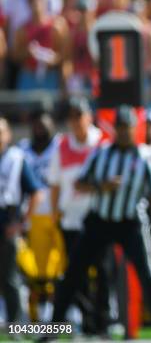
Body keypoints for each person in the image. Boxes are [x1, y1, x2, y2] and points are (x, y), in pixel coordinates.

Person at [50, 105, 151, 339]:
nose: (122, 132)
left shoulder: (144, 158)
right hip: (99, 220)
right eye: (119, 127)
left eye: (126, 128)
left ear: (134, 128)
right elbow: (79, 184)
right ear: (115, 129)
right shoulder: (100, 153)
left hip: (131, 222)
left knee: (149, 274)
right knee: (72, 273)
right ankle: (50, 329)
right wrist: (102, 186)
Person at [48, 98, 108, 335]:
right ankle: (87, 320)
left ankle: (103, 321)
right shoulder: (62, 145)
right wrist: (55, 213)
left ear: (88, 117)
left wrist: (92, 187)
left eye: (78, 116)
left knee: (102, 272)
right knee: (76, 275)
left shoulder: (102, 142)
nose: (75, 122)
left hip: (98, 219)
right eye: (71, 117)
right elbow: (54, 184)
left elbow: (111, 179)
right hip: (71, 220)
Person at [19, 110, 63, 321]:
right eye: (36, 125)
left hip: (59, 213)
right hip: (34, 215)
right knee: (38, 269)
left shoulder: (61, 146)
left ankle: (70, 310)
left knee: (65, 264)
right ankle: (41, 313)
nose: (40, 129)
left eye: (43, 125)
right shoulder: (23, 149)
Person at [0, 115, 43, 324]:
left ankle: (15, 324)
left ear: (8, 134)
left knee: (9, 277)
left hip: (8, 221)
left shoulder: (16, 158)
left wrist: (21, 223)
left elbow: (36, 192)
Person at [11, 0, 69, 92]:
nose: (35, 3)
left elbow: (65, 54)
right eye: (31, 0)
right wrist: (27, 52)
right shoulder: (22, 29)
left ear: (45, 2)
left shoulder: (56, 26)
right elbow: (15, 55)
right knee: (25, 107)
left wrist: (52, 59)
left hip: (49, 75)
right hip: (29, 75)